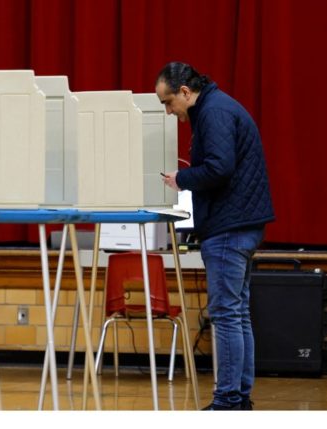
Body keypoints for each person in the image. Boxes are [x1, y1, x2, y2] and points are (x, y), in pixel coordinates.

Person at [156, 62, 274, 410]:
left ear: (185, 93)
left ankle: (227, 401)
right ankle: (239, 398)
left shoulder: (214, 113)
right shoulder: (217, 106)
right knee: (236, 314)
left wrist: (182, 179)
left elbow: (220, 168)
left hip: (229, 227)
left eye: (168, 102)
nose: (168, 110)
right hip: (243, 224)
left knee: (224, 314)